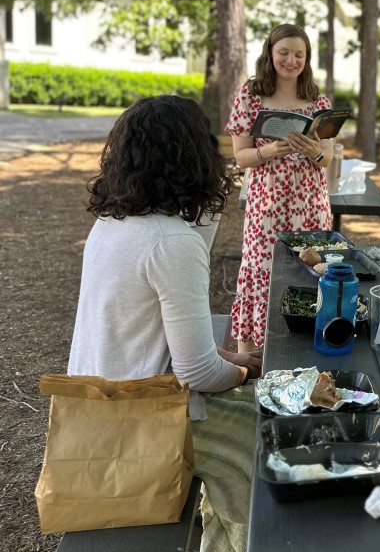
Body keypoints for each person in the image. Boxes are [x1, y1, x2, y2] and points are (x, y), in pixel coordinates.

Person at [68, 95, 262, 552]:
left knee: (238, 376)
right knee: (263, 434)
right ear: (196, 156)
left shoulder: (114, 221)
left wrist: (231, 358)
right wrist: (249, 370)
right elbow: (198, 374)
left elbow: (161, 337)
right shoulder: (170, 242)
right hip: (141, 420)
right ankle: (236, 542)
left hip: (97, 401)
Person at [226, 24, 335, 351]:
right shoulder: (250, 94)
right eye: (284, 52)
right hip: (268, 204)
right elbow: (240, 157)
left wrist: (314, 150)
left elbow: (327, 155)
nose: (291, 60)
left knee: (308, 271)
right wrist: (269, 151)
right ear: (270, 53)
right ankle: (248, 357)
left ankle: (298, 348)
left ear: (307, 59)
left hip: (310, 203)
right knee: (259, 270)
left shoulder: (317, 99)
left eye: (299, 54)